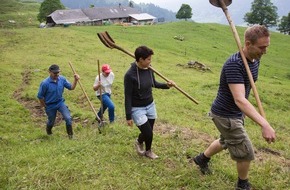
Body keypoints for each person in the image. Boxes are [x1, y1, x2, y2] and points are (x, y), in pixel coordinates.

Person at [191, 25, 276, 190]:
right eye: (261, 47)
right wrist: (264, 124)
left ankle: (202, 159)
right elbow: (240, 100)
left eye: (267, 46)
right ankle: (242, 185)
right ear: (248, 43)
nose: (265, 51)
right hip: (225, 114)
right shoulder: (234, 64)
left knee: (226, 141)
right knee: (245, 151)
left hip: (235, 114)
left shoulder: (255, 59)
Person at [124, 45, 175, 159]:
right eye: (148, 59)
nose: (150, 62)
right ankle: (148, 151)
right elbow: (127, 96)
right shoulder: (130, 75)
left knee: (149, 130)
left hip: (150, 104)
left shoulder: (149, 69)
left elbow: (154, 83)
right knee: (148, 132)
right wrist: (128, 116)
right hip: (137, 108)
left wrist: (167, 85)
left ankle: (138, 141)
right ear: (141, 60)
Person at [37, 64, 80, 139]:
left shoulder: (62, 79)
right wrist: (44, 106)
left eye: (58, 73)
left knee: (68, 118)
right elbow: (40, 96)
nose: (56, 75)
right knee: (51, 121)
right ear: (49, 72)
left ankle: (71, 136)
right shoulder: (45, 83)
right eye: (55, 73)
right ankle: (49, 132)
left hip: (60, 103)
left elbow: (71, 87)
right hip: (50, 105)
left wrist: (75, 80)